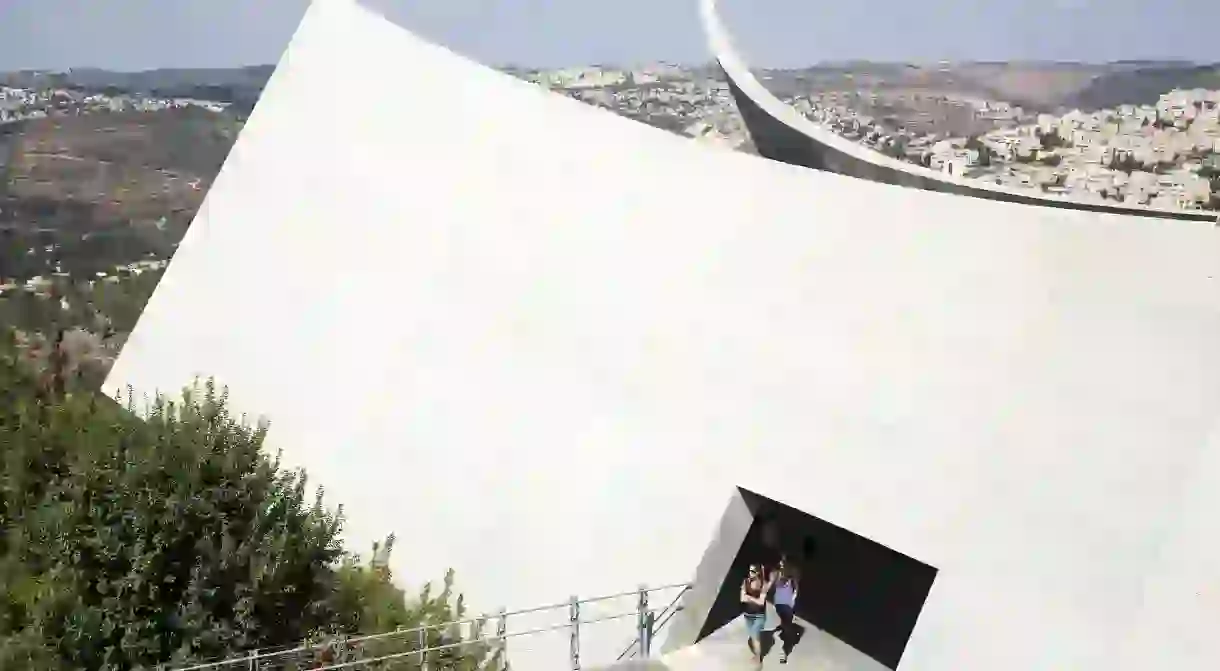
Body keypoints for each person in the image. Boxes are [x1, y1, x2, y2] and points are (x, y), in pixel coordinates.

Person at [741, 563, 772, 668]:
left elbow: (761, 602)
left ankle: (758, 660)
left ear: (758, 573)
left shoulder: (763, 585)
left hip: (759, 616)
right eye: (749, 571)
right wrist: (753, 599)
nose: (750, 573)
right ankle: (756, 655)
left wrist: (749, 598)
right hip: (748, 615)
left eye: (753, 571)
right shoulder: (745, 582)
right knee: (753, 637)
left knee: (755, 636)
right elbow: (742, 599)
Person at [771, 557, 800, 664]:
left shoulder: (791, 578)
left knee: (786, 627)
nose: (782, 566)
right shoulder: (778, 576)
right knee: (784, 626)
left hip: (787, 605)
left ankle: (784, 653)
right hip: (779, 605)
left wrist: (793, 600)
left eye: (784, 565)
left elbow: (796, 590)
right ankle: (788, 637)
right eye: (781, 565)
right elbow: (773, 587)